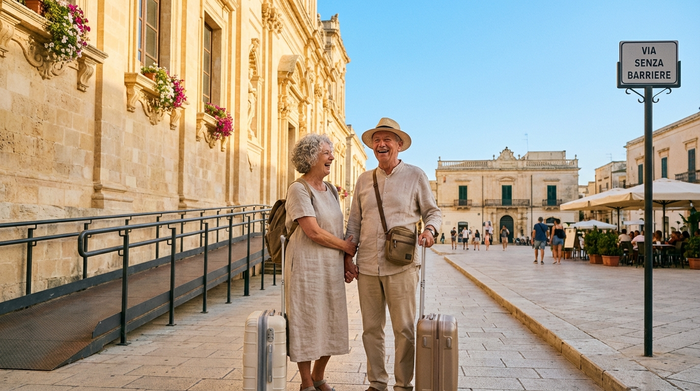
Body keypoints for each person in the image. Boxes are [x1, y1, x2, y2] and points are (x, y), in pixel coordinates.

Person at [344, 117, 441, 391]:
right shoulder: (364, 180)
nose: (381, 144)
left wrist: (430, 230)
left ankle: (402, 385)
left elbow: (432, 211)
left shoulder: (416, 175)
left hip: (402, 265)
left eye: (387, 139)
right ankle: (376, 383)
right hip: (368, 267)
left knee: (404, 330)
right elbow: (354, 222)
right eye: (377, 140)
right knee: (371, 330)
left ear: (399, 145)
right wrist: (348, 257)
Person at [285, 134, 358, 391]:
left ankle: (319, 376)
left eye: (332, 152)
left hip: (330, 267)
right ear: (310, 156)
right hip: (305, 267)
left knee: (332, 319)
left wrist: (346, 261)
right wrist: (346, 247)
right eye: (326, 152)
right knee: (306, 320)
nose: (332, 157)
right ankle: (306, 383)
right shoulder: (298, 189)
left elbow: (337, 229)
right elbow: (312, 231)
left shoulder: (332, 191)